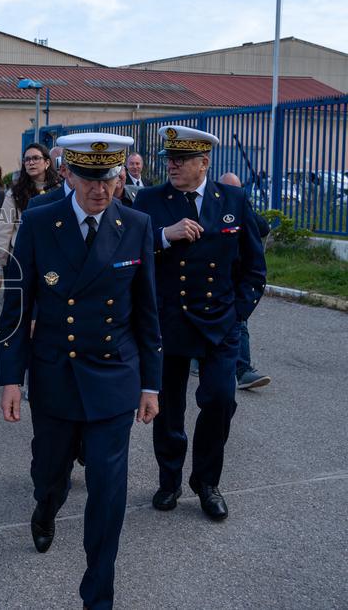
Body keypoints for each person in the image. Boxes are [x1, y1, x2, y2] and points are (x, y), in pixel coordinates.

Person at [0, 132, 161, 610]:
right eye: (90, 177)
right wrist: (11, 379)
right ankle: (45, 507)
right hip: (56, 372)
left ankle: (98, 596)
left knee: (108, 493)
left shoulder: (136, 224)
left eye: (108, 178)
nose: (100, 189)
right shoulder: (39, 219)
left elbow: (146, 311)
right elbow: (16, 307)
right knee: (51, 473)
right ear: (67, 173)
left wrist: (151, 384)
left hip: (114, 376)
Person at [133, 126, 266, 521]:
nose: (171, 166)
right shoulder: (150, 199)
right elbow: (128, 251)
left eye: (181, 160)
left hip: (219, 323)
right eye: (169, 159)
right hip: (170, 320)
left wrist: (238, 314)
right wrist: (163, 235)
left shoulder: (233, 199)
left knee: (221, 399)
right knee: (168, 408)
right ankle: (169, 480)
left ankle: (207, 482)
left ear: (204, 162)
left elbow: (254, 266)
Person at [218, 172, 271, 390]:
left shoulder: (241, 208)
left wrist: (243, 207)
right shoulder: (209, 208)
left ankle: (243, 371)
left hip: (238, 279)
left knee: (239, 322)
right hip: (213, 279)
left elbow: (263, 227)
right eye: (229, 189)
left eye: (237, 189)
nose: (234, 193)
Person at [0, 143, 62, 291]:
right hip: (22, 260)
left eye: (36, 158)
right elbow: (3, 229)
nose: (31, 162)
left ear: (47, 162)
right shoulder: (14, 193)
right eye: (27, 159)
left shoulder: (60, 190)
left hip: (54, 260)